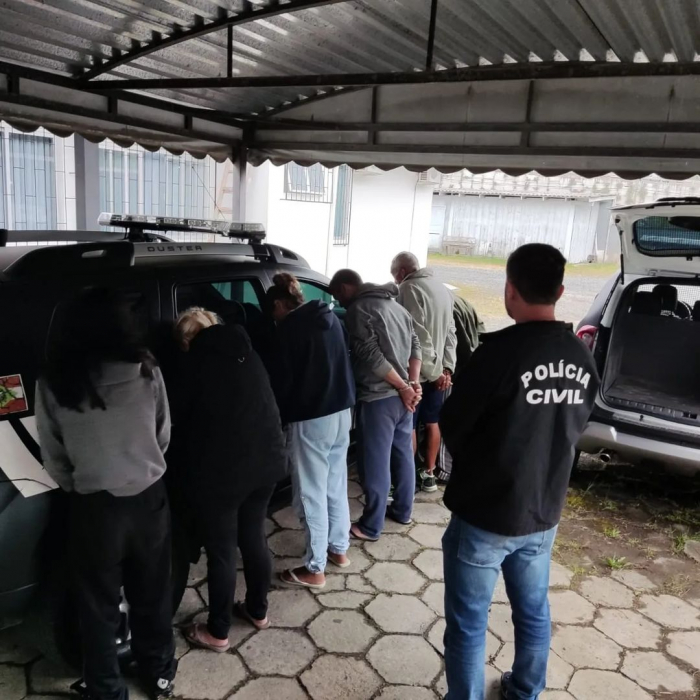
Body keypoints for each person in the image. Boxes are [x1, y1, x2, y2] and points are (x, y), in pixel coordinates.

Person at [439, 244, 599, 700]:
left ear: (509, 290)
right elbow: (576, 424)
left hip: (486, 514)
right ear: (561, 291)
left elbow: (453, 424)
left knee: (468, 623)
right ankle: (526, 690)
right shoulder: (581, 355)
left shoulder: (497, 355)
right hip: (543, 512)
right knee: (533, 611)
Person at [34, 287, 176, 700]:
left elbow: (53, 453)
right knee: (153, 595)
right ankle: (159, 675)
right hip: (149, 500)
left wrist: (79, 485)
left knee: (97, 607)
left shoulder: (54, 381)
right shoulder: (146, 368)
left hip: (94, 508)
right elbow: (163, 433)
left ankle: (106, 689)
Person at [172, 308, 287, 651]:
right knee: (253, 537)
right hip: (267, 462)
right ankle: (257, 611)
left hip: (224, 474)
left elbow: (181, 424)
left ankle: (218, 631)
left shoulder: (194, 365)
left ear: (188, 340)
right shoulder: (248, 353)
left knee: (222, 552)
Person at [264, 273, 356, 590]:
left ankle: (315, 568)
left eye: (272, 312)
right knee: (335, 482)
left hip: (311, 418)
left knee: (310, 491)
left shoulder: (290, 329)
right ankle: (339, 549)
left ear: (279, 304)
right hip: (342, 411)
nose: (273, 319)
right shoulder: (329, 317)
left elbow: (282, 381)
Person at [329, 269, 421, 542]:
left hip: (378, 398)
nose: (339, 302)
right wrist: (412, 383)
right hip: (403, 399)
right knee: (403, 455)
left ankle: (371, 526)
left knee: (375, 463)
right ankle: (403, 511)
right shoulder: (396, 307)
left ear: (344, 288)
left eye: (337, 296)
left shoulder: (358, 310)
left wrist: (404, 387)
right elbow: (416, 346)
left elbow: (370, 355)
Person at [391, 252, 457, 492]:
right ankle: (429, 474)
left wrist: (436, 371)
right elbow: (451, 332)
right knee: (432, 422)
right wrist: (447, 368)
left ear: (401, 272)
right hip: (439, 374)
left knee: (408, 426)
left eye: (395, 276)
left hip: (417, 373)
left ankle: (406, 477)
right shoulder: (443, 289)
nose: (396, 281)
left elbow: (417, 335)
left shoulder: (408, 289)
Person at [436, 294, 485, 483]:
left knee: (445, 420)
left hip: (457, 371)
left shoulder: (447, 305)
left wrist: (449, 371)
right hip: (473, 368)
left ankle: (445, 471)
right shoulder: (461, 301)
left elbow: (459, 344)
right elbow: (480, 329)